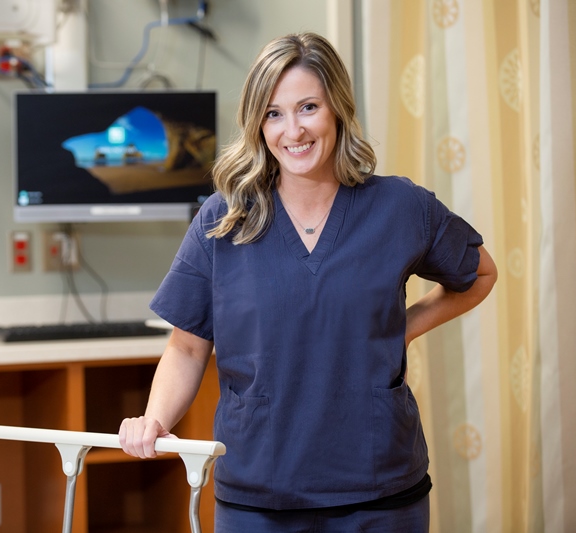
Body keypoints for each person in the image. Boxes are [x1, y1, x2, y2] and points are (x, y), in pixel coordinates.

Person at [119, 32, 497, 532]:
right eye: (273, 113)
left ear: (336, 109)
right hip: (259, 496)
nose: (291, 130)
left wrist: (402, 327)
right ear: (257, 123)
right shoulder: (224, 219)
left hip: (380, 492)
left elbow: (479, 274)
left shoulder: (401, 208)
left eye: (307, 107)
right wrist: (154, 418)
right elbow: (188, 348)